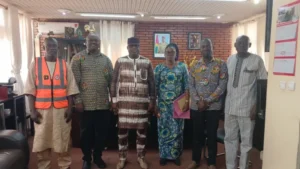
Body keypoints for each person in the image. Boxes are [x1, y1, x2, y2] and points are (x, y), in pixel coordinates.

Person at [24, 37, 79, 169]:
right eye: (49, 46)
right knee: (43, 141)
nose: (52, 48)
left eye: (54, 46)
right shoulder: (35, 64)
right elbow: (30, 89)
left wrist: (71, 109)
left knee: (63, 140)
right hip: (42, 112)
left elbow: (71, 89)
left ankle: (65, 165)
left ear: (58, 48)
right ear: (44, 48)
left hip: (62, 111)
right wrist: (32, 111)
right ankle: (44, 166)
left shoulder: (64, 64)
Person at [110, 37, 156, 169]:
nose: (134, 48)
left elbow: (152, 83)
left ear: (139, 47)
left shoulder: (147, 62)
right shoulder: (120, 61)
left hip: (142, 104)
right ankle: (122, 158)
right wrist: (114, 101)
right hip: (124, 104)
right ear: (127, 47)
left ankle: (141, 158)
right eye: (132, 46)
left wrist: (152, 101)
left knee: (142, 132)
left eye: (136, 46)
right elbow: (114, 82)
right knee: (122, 132)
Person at [71, 33, 113, 169]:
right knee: (85, 134)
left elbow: (111, 82)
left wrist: (113, 100)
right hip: (85, 105)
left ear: (100, 43)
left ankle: (98, 157)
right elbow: (73, 82)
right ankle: (87, 158)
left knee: (101, 133)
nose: (94, 43)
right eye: (91, 40)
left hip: (103, 104)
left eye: (96, 41)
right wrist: (77, 100)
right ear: (86, 42)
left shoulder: (106, 60)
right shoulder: (77, 58)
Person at [224, 35, 267, 169]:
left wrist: (257, 106)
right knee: (229, 140)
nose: (242, 45)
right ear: (235, 45)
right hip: (230, 108)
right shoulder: (230, 59)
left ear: (250, 45)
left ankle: (243, 167)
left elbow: (263, 85)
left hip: (247, 109)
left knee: (246, 142)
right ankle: (230, 166)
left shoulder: (257, 61)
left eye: (245, 43)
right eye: (239, 43)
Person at [186, 39, 228, 169]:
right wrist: (198, 101)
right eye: (203, 46)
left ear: (212, 47)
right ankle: (195, 160)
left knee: (211, 134)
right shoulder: (194, 65)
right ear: (200, 49)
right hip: (197, 107)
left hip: (213, 107)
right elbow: (190, 85)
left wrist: (208, 101)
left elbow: (222, 85)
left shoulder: (221, 64)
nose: (205, 48)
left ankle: (212, 162)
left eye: (208, 46)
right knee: (196, 134)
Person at [154, 43, 189, 166]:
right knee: (163, 129)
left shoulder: (182, 67)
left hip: (179, 104)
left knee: (177, 130)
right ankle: (163, 155)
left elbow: (187, 87)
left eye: (172, 52)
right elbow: (155, 88)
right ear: (164, 54)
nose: (170, 54)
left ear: (176, 54)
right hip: (163, 105)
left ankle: (175, 155)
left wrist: (186, 102)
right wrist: (155, 104)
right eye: (167, 52)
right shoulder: (158, 68)